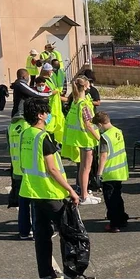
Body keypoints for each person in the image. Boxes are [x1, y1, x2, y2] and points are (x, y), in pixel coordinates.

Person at [19, 97, 94, 279]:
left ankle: (46, 275)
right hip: (51, 192)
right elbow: (52, 168)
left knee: (42, 235)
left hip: (33, 191)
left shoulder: (26, 134)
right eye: (46, 112)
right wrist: (70, 190)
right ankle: (72, 273)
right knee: (70, 233)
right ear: (40, 115)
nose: (49, 115)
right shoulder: (43, 137)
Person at [63, 77, 101, 205]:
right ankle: (84, 196)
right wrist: (99, 138)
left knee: (82, 168)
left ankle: (83, 193)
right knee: (86, 168)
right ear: (85, 87)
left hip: (79, 139)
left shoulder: (76, 101)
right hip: (86, 140)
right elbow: (88, 124)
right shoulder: (83, 104)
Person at [93, 112, 130, 233]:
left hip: (109, 172)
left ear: (100, 124)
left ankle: (114, 223)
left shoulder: (105, 137)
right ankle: (122, 218)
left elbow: (103, 156)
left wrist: (99, 173)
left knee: (110, 199)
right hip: (120, 170)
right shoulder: (118, 131)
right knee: (117, 196)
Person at [7, 112, 34, 240]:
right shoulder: (29, 126)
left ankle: (24, 231)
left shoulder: (11, 126)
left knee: (23, 203)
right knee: (35, 203)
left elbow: (9, 147)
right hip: (30, 170)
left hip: (17, 169)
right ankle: (37, 230)